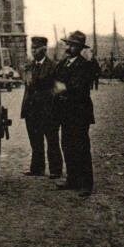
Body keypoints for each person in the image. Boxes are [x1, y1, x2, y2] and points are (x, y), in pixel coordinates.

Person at [53, 30, 95, 197]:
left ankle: (86, 184)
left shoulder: (84, 65)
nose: (68, 47)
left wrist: (62, 88)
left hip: (79, 113)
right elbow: (55, 80)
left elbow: (78, 87)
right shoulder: (64, 63)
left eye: (73, 45)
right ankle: (72, 179)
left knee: (81, 147)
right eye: (68, 44)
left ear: (80, 48)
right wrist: (59, 87)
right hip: (65, 112)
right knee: (67, 146)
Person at [20, 37, 62, 179]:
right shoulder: (29, 66)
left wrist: (48, 98)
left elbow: (59, 88)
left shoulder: (53, 67)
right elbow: (27, 85)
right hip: (32, 110)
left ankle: (55, 169)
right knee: (35, 140)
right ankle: (37, 168)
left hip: (48, 110)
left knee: (52, 140)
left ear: (44, 49)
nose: (33, 51)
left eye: (36, 48)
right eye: (32, 48)